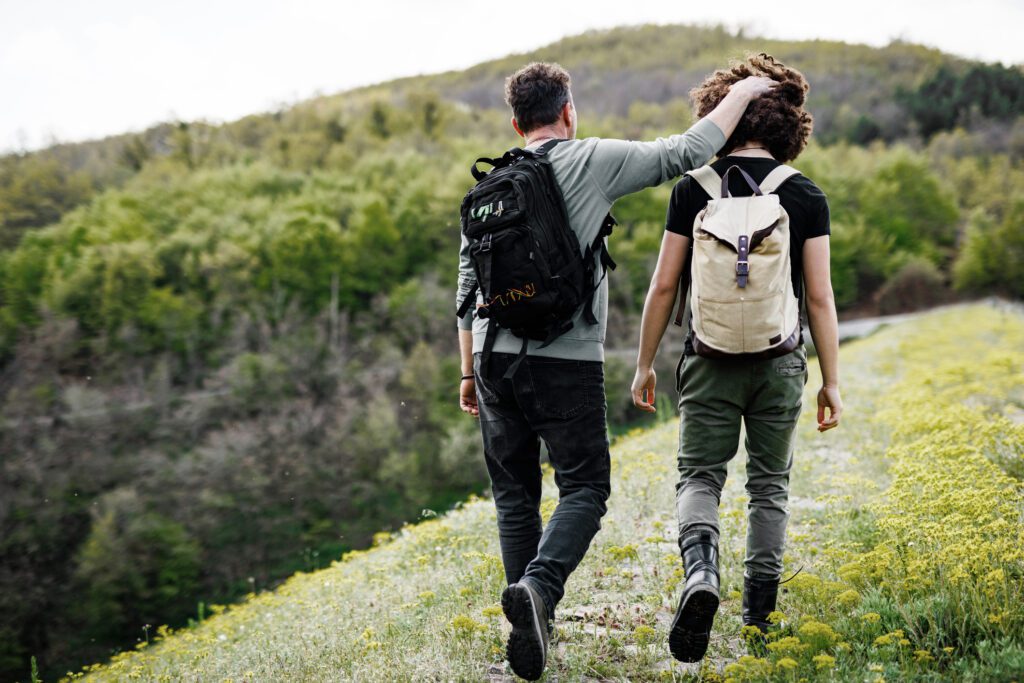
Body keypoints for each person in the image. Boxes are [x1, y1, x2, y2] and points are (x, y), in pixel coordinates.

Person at [456, 61, 775, 680]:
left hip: (492, 360)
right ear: (568, 112)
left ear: (515, 122)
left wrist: (468, 372)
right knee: (585, 489)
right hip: (563, 360)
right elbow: (687, 151)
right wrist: (741, 92)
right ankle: (541, 592)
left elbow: (467, 287)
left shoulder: (490, 187)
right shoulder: (591, 159)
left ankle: (530, 624)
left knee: (514, 497)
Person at [630, 53, 842, 662]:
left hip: (708, 358)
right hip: (779, 362)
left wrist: (645, 364)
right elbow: (820, 298)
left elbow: (664, 286)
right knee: (769, 485)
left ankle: (701, 574)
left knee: (700, 476)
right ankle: (758, 619)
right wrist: (831, 380)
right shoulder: (804, 195)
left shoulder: (690, 189)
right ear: (787, 127)